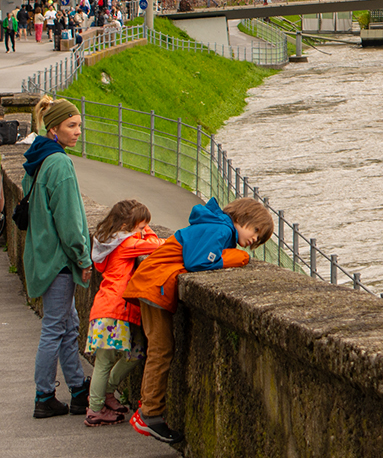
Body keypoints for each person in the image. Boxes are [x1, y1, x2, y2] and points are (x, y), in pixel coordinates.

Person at [125, 196, 273, 444]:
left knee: (159, 348)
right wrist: (236, 258)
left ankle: (148, 408)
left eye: (259, 239)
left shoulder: (215, 225)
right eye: (256, 231)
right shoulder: (221, 229)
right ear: (242, 217)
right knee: (161, 350)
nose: (255, 240)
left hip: (152, 282)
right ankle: (150, 414)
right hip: (154, 285)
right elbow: (198, 262)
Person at [21, 96, 93, 419]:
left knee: (68, 324)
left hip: (41, 254)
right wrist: (83, 258)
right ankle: (44, 395)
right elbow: (69, 220)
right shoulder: (60, 164)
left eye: (79, 125)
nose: (78, 131)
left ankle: (77, 390)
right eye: (71, 125)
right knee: (55, 327)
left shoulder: (37, 158)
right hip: (58, 260)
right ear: (54, 129)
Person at [83, 199, 160, 426]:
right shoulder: (126, 244)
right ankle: (95, 408)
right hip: (113, 308)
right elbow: (157, 245)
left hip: (117, 308)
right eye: (140, 227)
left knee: (136, 353)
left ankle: (107, 392)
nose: (142, 231)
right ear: (127, 226)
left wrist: (141, 228)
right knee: (104, 360)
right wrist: (148, 231)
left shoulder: (111, 242)